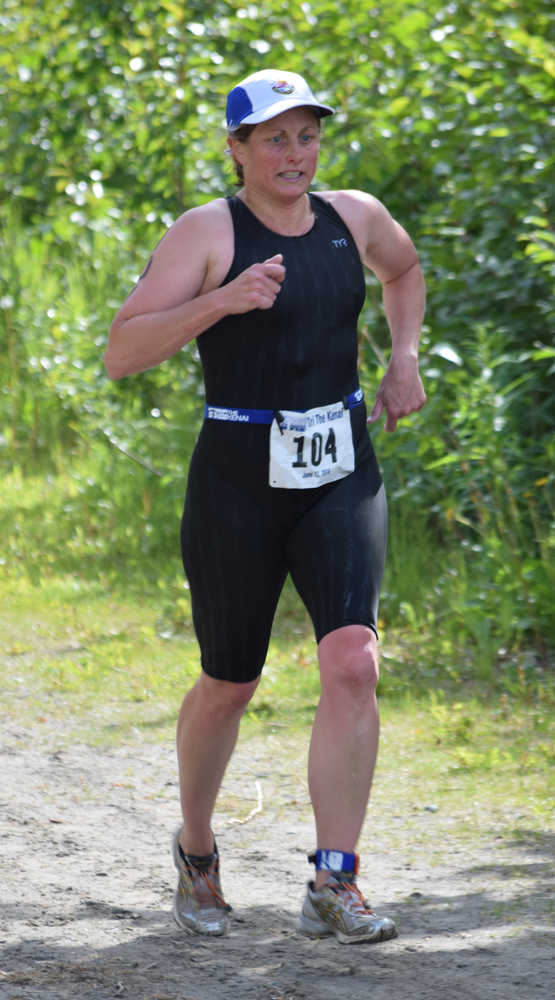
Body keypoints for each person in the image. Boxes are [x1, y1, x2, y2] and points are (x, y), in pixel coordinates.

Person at [105, 68, 426, 944]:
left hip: (339, 465)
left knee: (353, 660)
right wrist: (221, 300)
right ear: (236, 149)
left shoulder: (353, 217)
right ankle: (197, 851)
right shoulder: (207, 232)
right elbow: (123, 352)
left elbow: (403, 269)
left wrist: (402, 358)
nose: (295, 153)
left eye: (307, 135)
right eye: (274, 138)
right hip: (238, 477)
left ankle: (334, 879)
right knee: (229, 681)